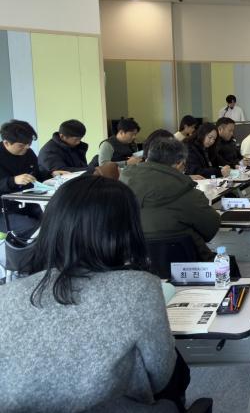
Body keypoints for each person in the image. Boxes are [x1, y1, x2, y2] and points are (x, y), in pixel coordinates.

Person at [0, 175, 189, 411]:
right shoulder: (140, 287)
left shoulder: (6, 295)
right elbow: (161, 376)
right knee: (178, 374)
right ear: (125, 230)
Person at [121, 138, 221, 261]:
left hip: (134, 259)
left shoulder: (122, 184)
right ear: (179, 163)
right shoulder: (188, 193)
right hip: (185, 261)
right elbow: (211, 227)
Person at [0, 121, 61, 237]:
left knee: (57, 216)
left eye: (28, 143)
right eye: (21, 145)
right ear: (6, 143)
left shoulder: (28, 153)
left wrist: (52, 174)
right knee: (32, 226)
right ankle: (20, 247)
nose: (27, 147)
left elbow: (36, 175)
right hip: (3, 210)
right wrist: (13, 181)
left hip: (26, 203)